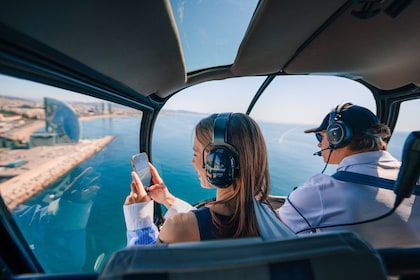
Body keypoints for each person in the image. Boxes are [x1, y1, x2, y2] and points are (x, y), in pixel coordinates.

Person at [277, 102, 420, 248]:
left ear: (336, 135)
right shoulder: (415, 178)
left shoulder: (321, 190)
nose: (319, 145)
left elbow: (272, 228)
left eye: (320, 137)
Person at [123, 112, 273, 244]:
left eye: (196, 154)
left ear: (220, 163)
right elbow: (206, 222)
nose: (192, 161)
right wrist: (166, 198)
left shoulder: (178, 228)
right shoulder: (272, 215)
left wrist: (139, 218)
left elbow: (139, 269)